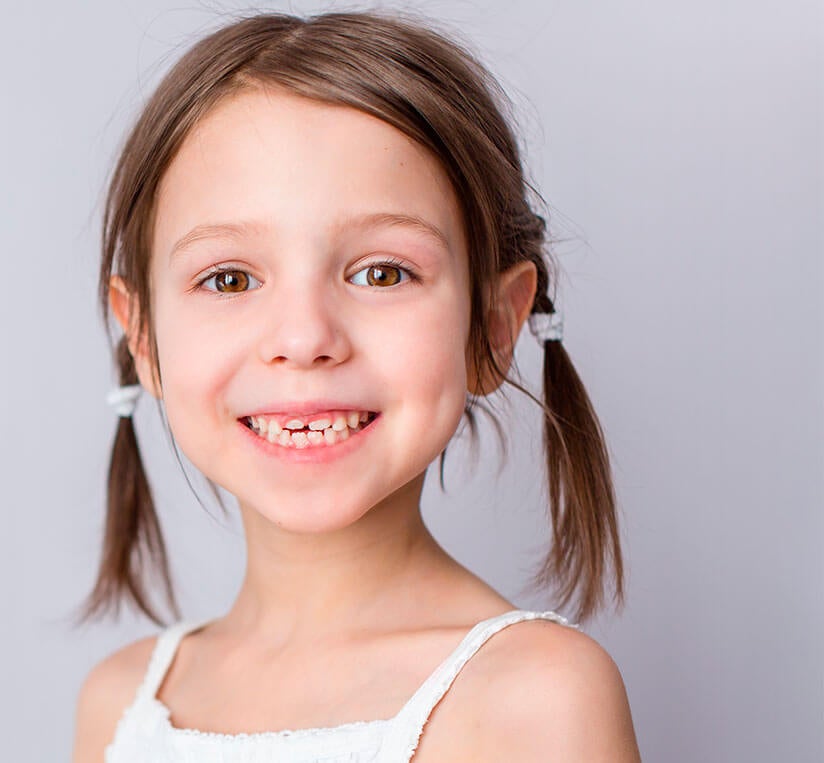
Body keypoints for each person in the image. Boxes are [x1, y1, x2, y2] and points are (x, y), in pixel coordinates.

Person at [70, 9, 640, 762]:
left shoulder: (536, 699)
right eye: (230, 277)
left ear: (497, 324)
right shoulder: (119, 703)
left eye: (382, 272)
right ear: (142, 338)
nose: (305, 339)